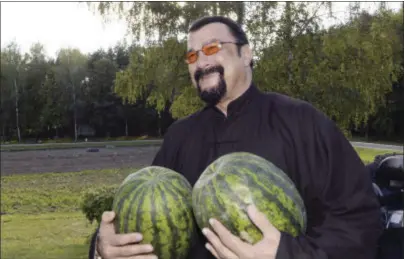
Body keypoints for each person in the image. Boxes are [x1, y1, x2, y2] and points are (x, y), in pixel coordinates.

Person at [89, 16, 383, 259]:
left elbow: (359, 222)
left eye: (212, 47)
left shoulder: (302, 122)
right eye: (192, 55)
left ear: (247, 53)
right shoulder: (179, 136)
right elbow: (142, 219)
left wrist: (288, 255)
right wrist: (102, 248)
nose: (200, 62)